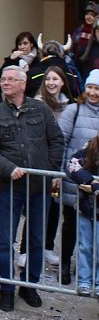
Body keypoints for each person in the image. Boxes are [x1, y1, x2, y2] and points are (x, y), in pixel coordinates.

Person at [0, 66, 64, 312]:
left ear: (22, 83)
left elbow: (57, 140)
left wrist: (50, 171)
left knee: (36, 238)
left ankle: (29, 286)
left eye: (10, 79)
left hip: (39, 187)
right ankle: (6, 288)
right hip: (10, 188)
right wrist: (8, 168)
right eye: (3, 79)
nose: (5, 83)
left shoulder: (40, 109)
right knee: (5, 239)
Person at [54, 68, 99, 286]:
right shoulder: (74, 110)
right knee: (71, 224)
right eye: (90, 87)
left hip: (97, 183)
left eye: (97, 88)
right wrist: (59, 172)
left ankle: (89, 272)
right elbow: (61, 140)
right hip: (74, 177)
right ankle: (65, 265)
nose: (93, 92)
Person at [64, 134, 99, 296]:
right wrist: (90, 181)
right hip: (87, 206)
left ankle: (98, 283)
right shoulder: (91, 145)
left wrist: (95, 187)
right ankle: (84, 280)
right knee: (85, 245)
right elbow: (73, 163)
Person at [71, 1, 98, 73]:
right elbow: (72, 50)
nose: (89, 17)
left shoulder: (97, 33)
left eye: (92, 15)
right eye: (87, 14)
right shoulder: (79, 31)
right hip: (80, 66)